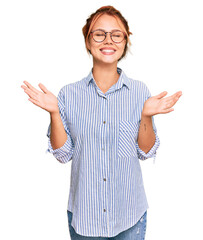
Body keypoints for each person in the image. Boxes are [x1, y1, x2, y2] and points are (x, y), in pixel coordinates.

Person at [21, 5, 182, 240]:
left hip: (130, 215)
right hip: (85, 218)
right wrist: (55, 112)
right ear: (88, 41)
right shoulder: (68, 94)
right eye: (99, 33)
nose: (108, 40)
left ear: (125, 41)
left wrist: (146, 115)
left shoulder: (139, 92)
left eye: (116, 34)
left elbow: (146, 152)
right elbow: (63, 155)